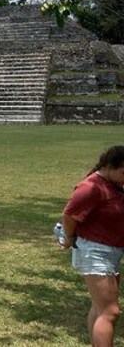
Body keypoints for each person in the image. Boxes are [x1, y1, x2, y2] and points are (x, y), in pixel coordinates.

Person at [61, 146, 124, 347]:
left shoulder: (113, 184)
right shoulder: (91, 187)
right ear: (107, 166)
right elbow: (70, 215)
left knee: (100, 308)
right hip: (95, 251)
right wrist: (69, 237)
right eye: (123, 172)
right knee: (110, 311)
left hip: (112, 251)